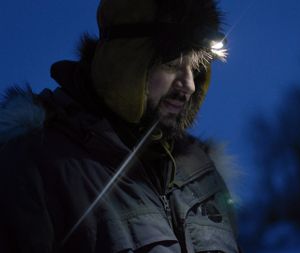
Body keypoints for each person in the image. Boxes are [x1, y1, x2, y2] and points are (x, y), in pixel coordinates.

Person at [0, 0, 240, 252]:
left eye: (196, 68)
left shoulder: (202, 172)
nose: (189, 85)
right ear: (127, 62)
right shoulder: (35, 163)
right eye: (171, 65)